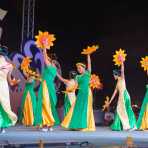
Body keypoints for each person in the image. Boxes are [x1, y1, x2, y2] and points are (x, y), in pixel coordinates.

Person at [61, 54, 96, 131]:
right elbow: (75, 86)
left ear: (84, 68)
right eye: (77, 68)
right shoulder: (77, 77)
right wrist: (69, 90)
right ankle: (76, 125)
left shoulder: (87, 74)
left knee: (85, 109)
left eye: (80, 68)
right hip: (80, 94)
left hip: (87, 93)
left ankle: (84, 125)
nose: (78, 69)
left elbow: (89, 64)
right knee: (77, 108)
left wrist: (88, 55)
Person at [34, 49, 60, 132]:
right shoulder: (52, 69)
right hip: (49, 86)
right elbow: (47, 58)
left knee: (45, 104)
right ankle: (47, 124)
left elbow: (45, 58)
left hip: (46, 87)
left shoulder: (51, 67)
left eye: (51, 61)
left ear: (54, 64)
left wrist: (44, 47)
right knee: (48, 104)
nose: (49, 61)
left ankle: (46, 124)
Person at [109, 62, 137, 131]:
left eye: (114, 75)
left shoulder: (122, 79)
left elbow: (122, 70)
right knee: (120, 110)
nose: (113, 76)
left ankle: (130, 125)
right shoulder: (117, 84)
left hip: (125, 96)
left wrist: (122, 63)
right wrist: (110, 101)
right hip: (121, 98)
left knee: (125, 109)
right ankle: (121, 126)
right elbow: (114, 93)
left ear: (116, 75)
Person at [0, 46, 18, 133]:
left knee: (3, 106)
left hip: (3, 86)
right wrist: (14, 82)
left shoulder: (9, 66)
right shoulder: (9, 65)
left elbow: (10, 81)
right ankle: (2, 126)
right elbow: (10, 81)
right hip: (3, 86)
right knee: (4, 106)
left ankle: (2, 125)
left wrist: (14, 82)